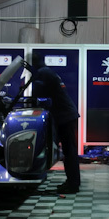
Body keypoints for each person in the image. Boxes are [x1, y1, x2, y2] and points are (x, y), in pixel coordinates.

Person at [29, 51, 81, 194]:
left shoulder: (43, 73)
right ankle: (72, 182)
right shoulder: (47, 71)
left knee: (69, 152)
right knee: (69, 151)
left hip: (65, 116)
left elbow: (37, 93)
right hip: (65, 115)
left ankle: (73, 185)